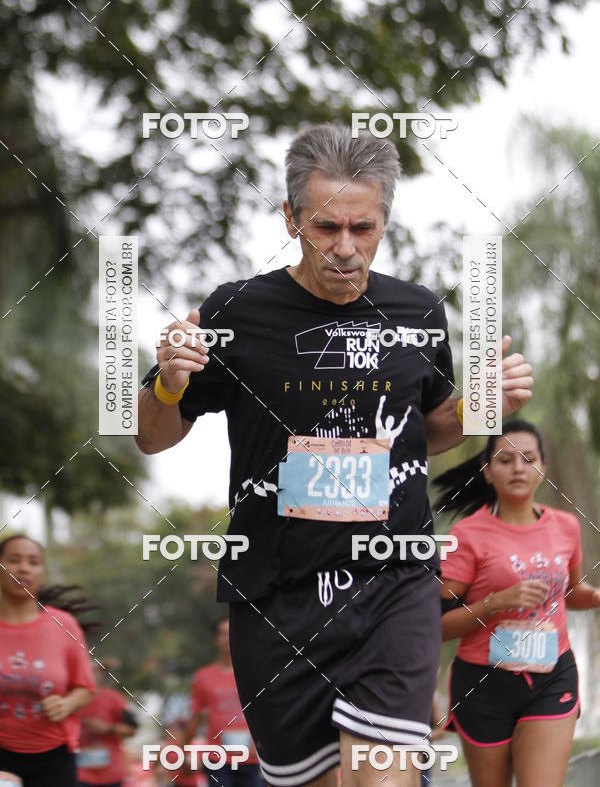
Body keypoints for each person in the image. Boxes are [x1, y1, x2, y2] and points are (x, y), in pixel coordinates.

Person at [135, 123, 533, 787]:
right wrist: (167, 381)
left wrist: (479, 403)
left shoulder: (417, 311)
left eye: (363, 228)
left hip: (394, 581)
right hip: (277, 595)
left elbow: (429, 429)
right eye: (325, 228)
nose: (345, 249)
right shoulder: (236, 310)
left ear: (384, 221)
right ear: (290, 218)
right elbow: (153, 435)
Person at [435, 420, 600, 787]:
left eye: (529, 459)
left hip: (552, 676)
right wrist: (495, 602)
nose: (519, 468)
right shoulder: (467, 535)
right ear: (487, 470)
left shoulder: (566, 527)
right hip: (483, 684)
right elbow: (437, 625)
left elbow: (571, 594)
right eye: (506, 459)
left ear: (543, 467)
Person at [0, 534, 96, 786]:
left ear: (42, 572)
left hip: (54, 756)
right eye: (13, 560)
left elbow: (85, 688)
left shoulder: (64, 625)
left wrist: (66, 705)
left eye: (33, 562)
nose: (24, 568)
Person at [182, 617, 262, 787]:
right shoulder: (203, 676)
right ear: (215, 640)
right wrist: (185, 751)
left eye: (231, 633)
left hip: (252, 757)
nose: (227, 638)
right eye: (222, 634)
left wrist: (261, 743)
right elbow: (194, 718)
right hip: (217, 759)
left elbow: (267, 712)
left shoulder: (254, 672)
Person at [76, 657, 138, 787]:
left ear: (100, 674)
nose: (90, 675)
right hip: (80, 773)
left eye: (94, 671)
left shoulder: (114, 698)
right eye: (85, 671)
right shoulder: (72, 698)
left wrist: (108, 728)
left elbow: (132, 730)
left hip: (111, 774)